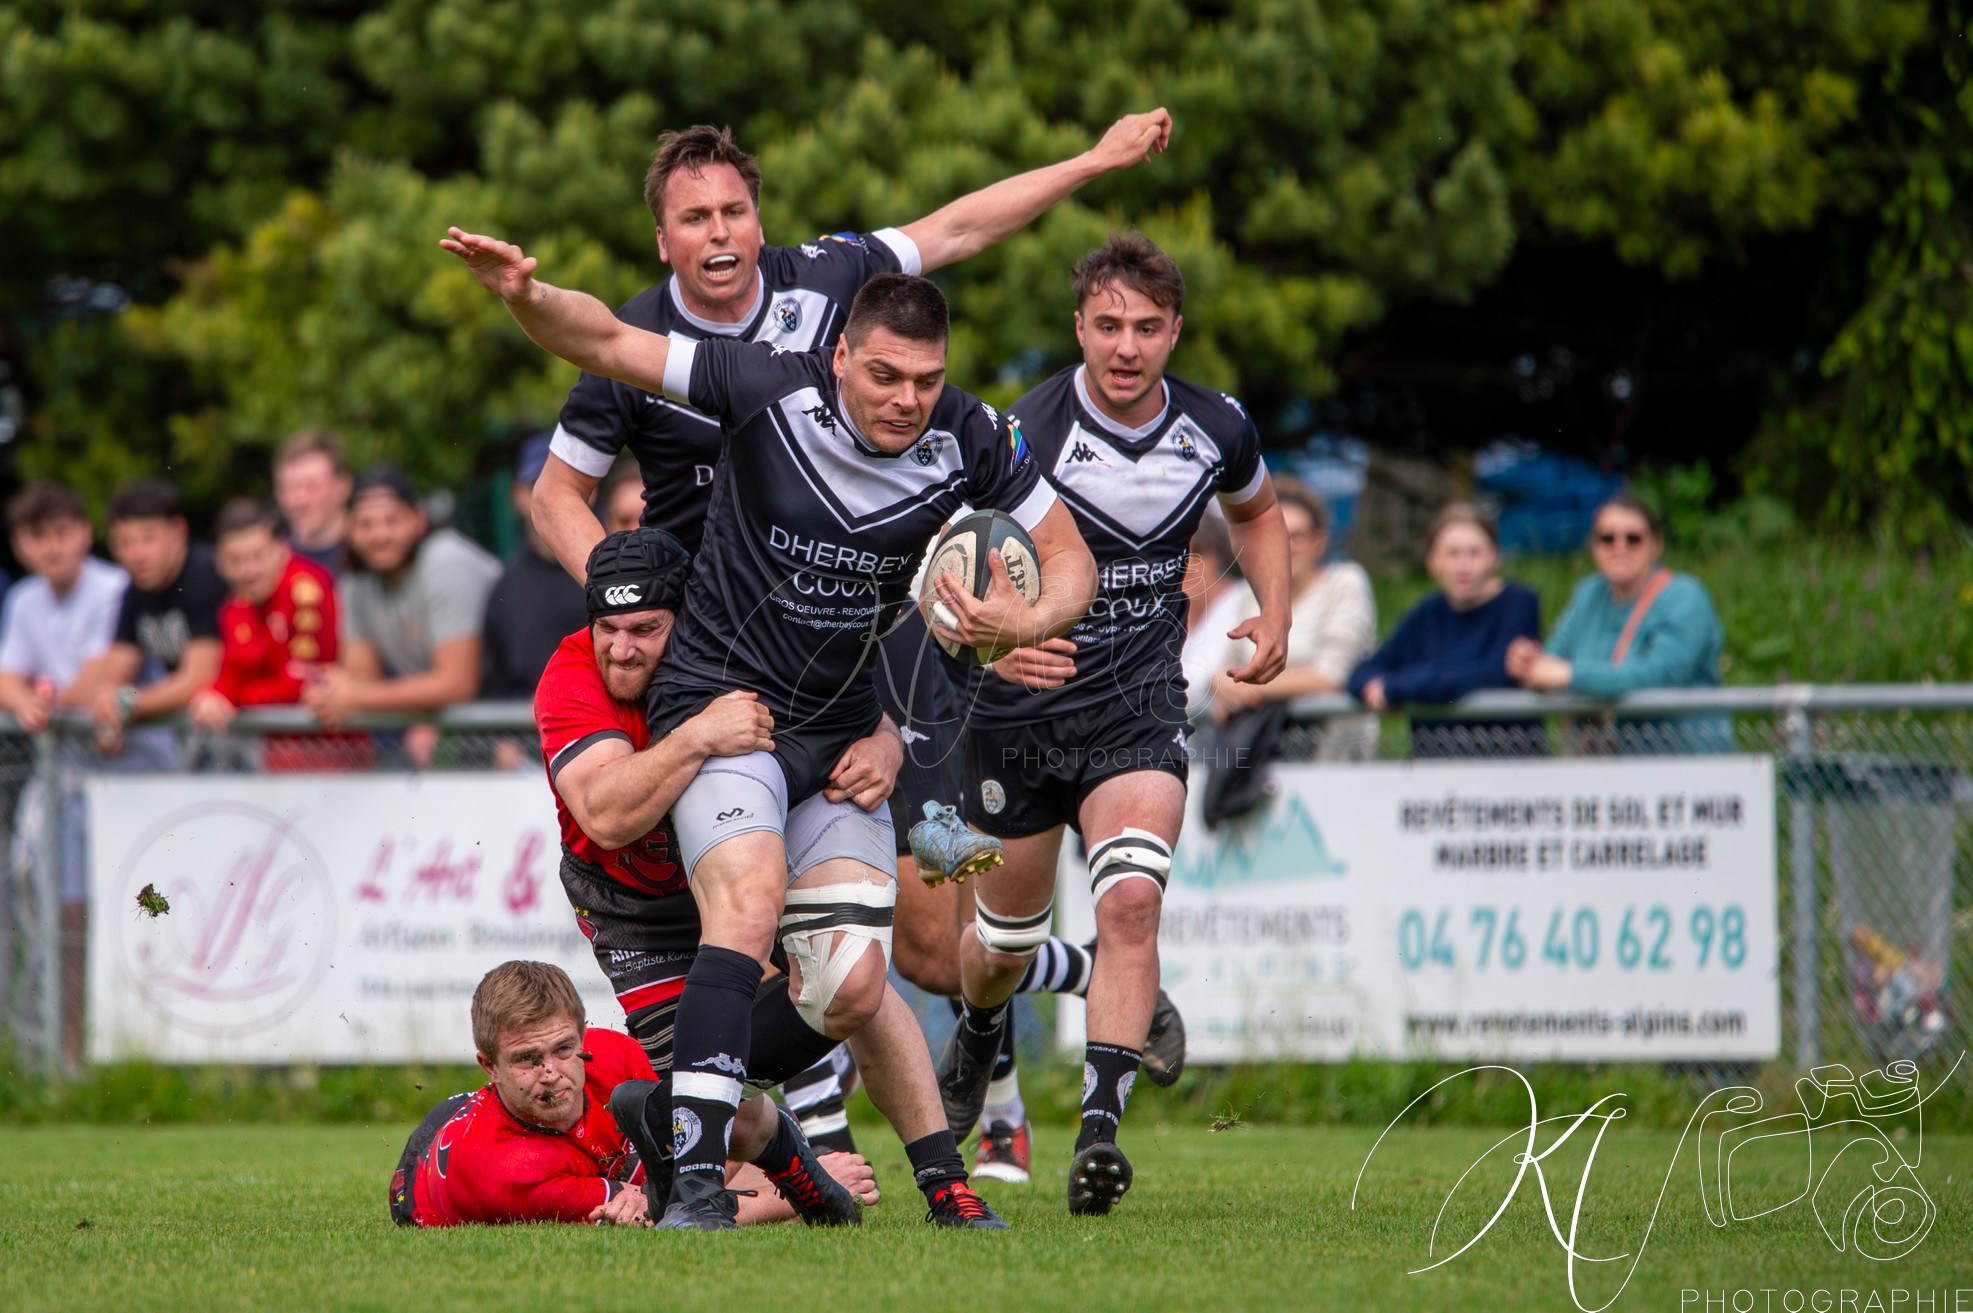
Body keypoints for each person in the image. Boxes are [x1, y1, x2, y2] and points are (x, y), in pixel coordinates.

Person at [525, 116, 1174, 1168]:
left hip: (866, 653)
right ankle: (838, 1134)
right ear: (662, 238)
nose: (719, 231)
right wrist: (634, 605)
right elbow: (554, 492)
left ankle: (1021, 1034)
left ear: (759, 216)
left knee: (927, 930)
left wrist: (1094, 163)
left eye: (734, 209)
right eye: (695, 217)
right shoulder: (641, 341)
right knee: (764, 918)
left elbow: (960, 226)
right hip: (717, 657)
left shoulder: (835, 282)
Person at [443, 227, 1098, 1229]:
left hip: (845, 734)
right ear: (839, 356)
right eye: (884, 375)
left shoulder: (971, 435)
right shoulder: (762, 385)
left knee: (855, 982)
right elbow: (607, 341)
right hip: (724, 707)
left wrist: (1025, 618)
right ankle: (704, 1184)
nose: (906, 399)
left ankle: (929, 1173)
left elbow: (1069, 558)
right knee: (750, 907)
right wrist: (526, 297)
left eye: (925, 380)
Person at [937, 233, 1290, 1215]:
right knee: (996, 944)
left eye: (1145, 326)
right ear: (1078, 327)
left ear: (1174, 330)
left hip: (1136, 707)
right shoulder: (1018, 431)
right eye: (1106, 325)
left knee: (1129, 905)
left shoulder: (1214, 425)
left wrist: (1276, 610)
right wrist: (990, 645)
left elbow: (1258, 512)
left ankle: (1098, 1133)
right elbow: (940, 562)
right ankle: (977, 1031)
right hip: (1014, 718)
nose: (1125, 345)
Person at [535, 527, 1005, 1228]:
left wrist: (884, 745)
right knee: (734, 1117)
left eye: (645, 629)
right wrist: (698, 733)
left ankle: (947, 1185)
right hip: (637, 907)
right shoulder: (570, 674)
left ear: (687, 620)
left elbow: (849, 705)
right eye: (608, 628)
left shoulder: (736, 648)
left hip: (744, 874)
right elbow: (606, 815)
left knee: (855, 980)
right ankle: (794, 1172)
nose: (622, 649)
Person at [390, 961, 879, 1228]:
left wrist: (792, 1173)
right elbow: (658, 1215)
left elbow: (710, 1149)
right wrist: (804, 1189)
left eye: (564, 1049)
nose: (552, 1073)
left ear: (582, 1036)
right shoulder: (509, 1171)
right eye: (526, 1059)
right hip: (425, 1177)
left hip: (520, 1136)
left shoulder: (611, 1055)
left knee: (707, 1137)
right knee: (672, 1197)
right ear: (489, 1067)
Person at [0, 481, 129, 1063]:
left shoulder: (114, 588)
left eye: (60, 533)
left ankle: (138, 1045)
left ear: (84, 533)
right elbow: (9, 676)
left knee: (141, 905)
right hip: (65, 780)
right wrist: (28, 703)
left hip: (129, 776)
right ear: (19, 545)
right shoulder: (25, 598)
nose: (51, 547)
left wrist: (45, 705)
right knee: (65, 912)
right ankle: (73, 1053)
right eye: (37, 536)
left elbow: (99, 678)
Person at [1506, 491, 1731, 753]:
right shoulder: (1589, 593)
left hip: (1688, 762)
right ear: (1593, 546)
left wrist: (1568, 675)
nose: (1619, 547)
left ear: (1656, 545)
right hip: (1610, 767)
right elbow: (1552, 660)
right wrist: (1528, 662)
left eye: (1633, 538)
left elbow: (1660, 675)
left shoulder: (1685, 596)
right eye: (1607, 538)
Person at [304, 466, 500, 765]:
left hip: (519, 714)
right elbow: (362, 680)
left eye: (392, 521)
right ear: (349, 529)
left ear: (418, 520)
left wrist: (353, 696)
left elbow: (458, 682)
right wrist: (329, 695)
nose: (379, 535)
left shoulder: (445, 559)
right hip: (470, 727)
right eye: (366, 524)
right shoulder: (356, 584)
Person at [1346, 502, 1543, 758]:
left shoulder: (1518, 603)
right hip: (1433, 770)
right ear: (1432, 561)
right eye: (1452, 553)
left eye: (1474, 553)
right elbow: (1362, 673)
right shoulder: (1426, 614)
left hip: (1507, 763)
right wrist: (1376, 688)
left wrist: (1395, 688)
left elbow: (1494, 673)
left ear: (1495, 557)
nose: (1463, 565)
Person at [1206, 480, 1377, 760]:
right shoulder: (1251, 595)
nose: (1286, 546)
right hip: (1260, 757)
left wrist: (1246, 687)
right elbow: (1224, 669)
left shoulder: (1344, 582)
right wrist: (1219, 683)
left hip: (1334, 758)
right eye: (1276, 535)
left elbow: (1331, 676)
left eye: (1296, 536)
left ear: (1319, 542)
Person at [188, 498, 360, 772]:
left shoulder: (307, 588)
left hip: (331, 755)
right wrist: (210, 697)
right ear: (219, 562)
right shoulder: (234, 609)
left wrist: (232, 700)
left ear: (282, 549)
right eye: (236, 560)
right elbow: (231, 674)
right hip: (272, 759)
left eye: (259, 556)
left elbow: (305, 681)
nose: (249, 570)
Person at [77, 478, 227, 758]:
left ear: (179, 531)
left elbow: (199, 677)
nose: (137, 554)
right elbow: (117, 667)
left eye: (149, 538)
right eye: (124, 542)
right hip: (203, 732)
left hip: (247, 728)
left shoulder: (206, 574)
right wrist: (108, 703)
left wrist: (127, 704)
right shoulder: (135, 590)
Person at [481, 433, 590, 700]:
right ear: (518, 495)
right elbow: (497, 684)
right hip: (529, 725)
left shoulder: (615, 574)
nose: (550, 497)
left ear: (592, 491)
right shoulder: (506, 586)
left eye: (564, 487)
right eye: (538, 485)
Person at [1178, 509, 1253, 722]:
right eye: (1177, 556)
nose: (1187, 565)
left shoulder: (1246, 601)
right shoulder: (1159, 614)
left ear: (1219, 554)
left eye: (1198, 553)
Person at [272, 428, 354, 575]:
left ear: (342, 487)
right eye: (289, 488)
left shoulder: (371, 553)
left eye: (312, 486)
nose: (299, 501)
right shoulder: (269, 564)